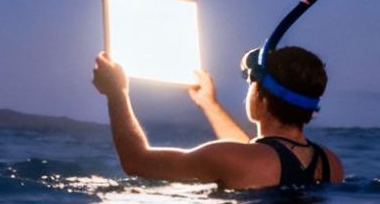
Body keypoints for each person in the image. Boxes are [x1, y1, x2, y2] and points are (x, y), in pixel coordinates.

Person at [90, 44, 345, 190]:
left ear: (261, 96)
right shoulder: (332, 164)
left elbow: (136, 162)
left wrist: (116, 92)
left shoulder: (230, 157)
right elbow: (262, 155)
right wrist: (209, 104)